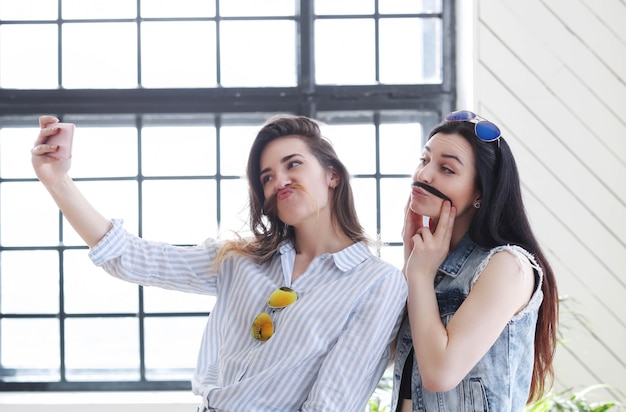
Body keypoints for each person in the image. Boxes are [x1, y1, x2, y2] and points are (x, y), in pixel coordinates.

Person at [32, 114, 408, 411]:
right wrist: (57, 181)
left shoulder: (378, 283)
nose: (280, 181)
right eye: (267, 176)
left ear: (332, 175)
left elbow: (333, 404)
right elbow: (130, 257)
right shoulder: (238, 260)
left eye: (293, 164)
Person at [392, 110, 559, 411]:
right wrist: (411, 253)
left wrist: (418, 275)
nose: (424, 175)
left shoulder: (507, 265)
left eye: (447, 169)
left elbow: (440, 373)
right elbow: (391, 351)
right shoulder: (431, 263)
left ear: (479, 193)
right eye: (425, 160)